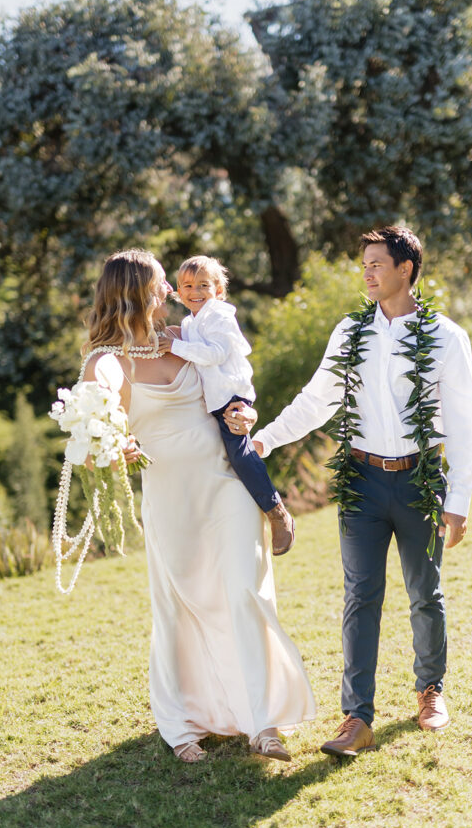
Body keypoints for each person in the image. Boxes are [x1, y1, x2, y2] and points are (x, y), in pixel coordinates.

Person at [252, 226, 472, 757]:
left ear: (406, 268)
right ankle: (357, 718)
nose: (368, 272)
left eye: (377, 263)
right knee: (361, 597)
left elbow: (467, 424)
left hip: (422, 481)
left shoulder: (447, 337)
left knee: (425, 592)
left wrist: (460, 500)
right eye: (365, 265)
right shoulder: (349, 333)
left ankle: (430, 690)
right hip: (361, 483)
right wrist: (265, 439)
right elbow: (316, 401)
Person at [82, 249, 316, 763]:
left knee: (242, 592)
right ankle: (184, 720)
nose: (170, 292)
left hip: (226, 484)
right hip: (171, 497)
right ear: (138, 291)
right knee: (181, 605)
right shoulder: (107, 361)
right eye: (163, 284)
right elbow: (94, 424)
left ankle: (264, 722)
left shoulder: (189, 337)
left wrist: (245, 413)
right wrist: (111, 443)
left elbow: (232, 377)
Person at [156, 255, 294, 555]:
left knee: (240, 453)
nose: (195, 292)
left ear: (219, 290)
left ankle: (276, 511)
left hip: (231, 395)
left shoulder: (218, 315)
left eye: (204, 285)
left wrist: (176, 347)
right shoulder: (192, 321)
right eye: (187, 286)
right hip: (215, 400)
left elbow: (217, 353)